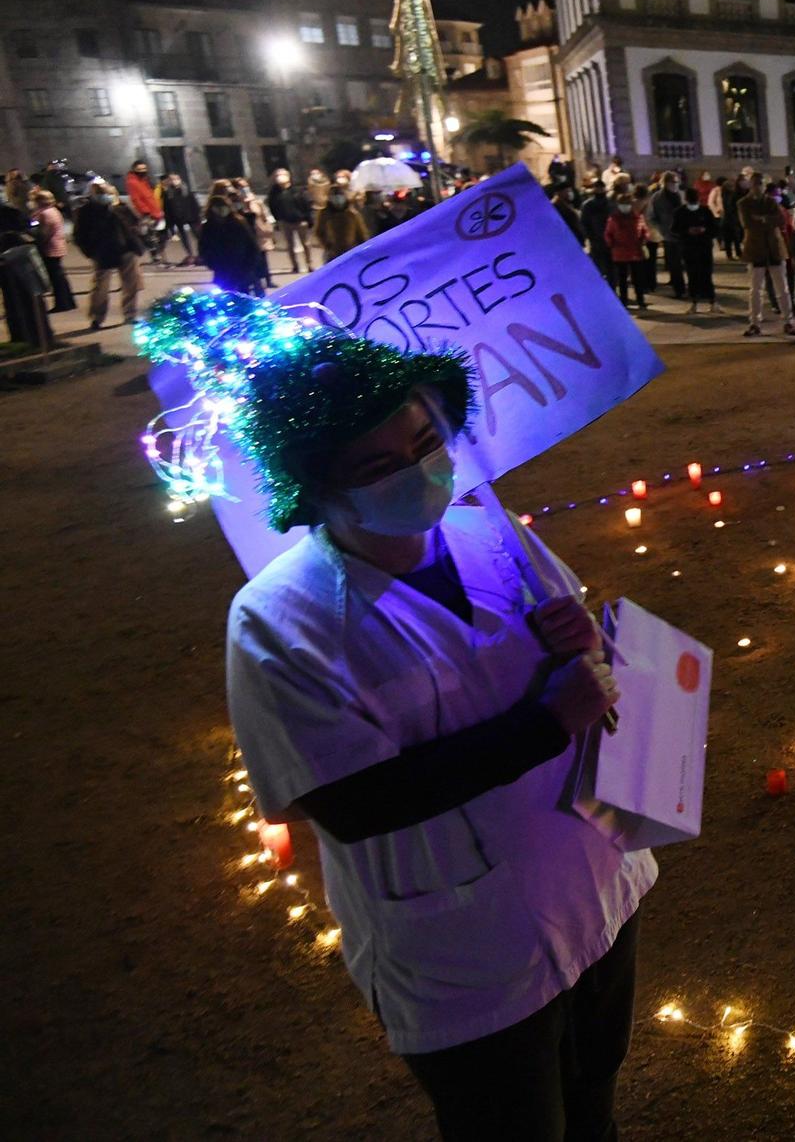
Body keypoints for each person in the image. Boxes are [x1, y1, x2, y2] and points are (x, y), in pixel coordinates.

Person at [142, 294, 651, 1142]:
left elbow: (558, 636)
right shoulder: (280, 620)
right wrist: (545, 724)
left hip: (594, 881)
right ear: (314, 487)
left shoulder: (488, 527)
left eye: (425, 443)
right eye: (375, 466)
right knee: (511, 1125)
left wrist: (566, 639)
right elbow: (349, 804)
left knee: (596, 1094)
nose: (417, 472)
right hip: (465, 948)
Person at [75, 180, 146, 329]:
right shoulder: (87, 211)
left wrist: (136, 240)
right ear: (93, 194)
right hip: (103, 251)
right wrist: (90, 251)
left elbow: (135, 224)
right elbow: (80, 235)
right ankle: (97, 317)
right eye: (101, 194)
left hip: (126, 250)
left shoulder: (120, 208)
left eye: (107, 193)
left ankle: (130, 314)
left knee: (130, 284)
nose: (104, 196)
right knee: (100, 286)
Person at [737, 175, 795, 337]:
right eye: (755, 184)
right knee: (755, 289)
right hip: (756, 248)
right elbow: (747, 224)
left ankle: (788, 321)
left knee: (782, 288)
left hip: (774, 247)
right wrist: (768, 221)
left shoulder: (771, 202)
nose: (758, 187)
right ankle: (755, 322)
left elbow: (780, 220)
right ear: (751, 185)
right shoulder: (744, 203)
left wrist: (762, 219)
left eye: (761, 184)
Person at [198, 188, 264, 295]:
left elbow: (251, 244)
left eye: (223, 206)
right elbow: (204, 247)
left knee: (244, 295)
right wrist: (211, 263)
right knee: (227, 295)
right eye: (217, 207)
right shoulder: (209, 226)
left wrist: (250, 263)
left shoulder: (238, 222)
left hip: (242, 267)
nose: (221, 210)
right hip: (222, 268)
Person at [26, 188, 77, 313]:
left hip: (50, 248)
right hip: (58, 245)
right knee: (60, 276)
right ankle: (68, 301)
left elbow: (43, 233)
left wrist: (33, 238)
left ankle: (62, 303)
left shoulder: (44, 213)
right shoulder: (54, 210)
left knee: (56, 278)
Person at [603, 186, 651, 311]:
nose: (626, 206)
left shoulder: (637, 217)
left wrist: (644, 239)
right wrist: (611, 244)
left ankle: (640, 300)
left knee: (637, 279)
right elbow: (608, 234)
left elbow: (644, 230)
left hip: (635, 251)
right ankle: (624, 301)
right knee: (622, 279)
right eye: (623, 204)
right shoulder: (613, 219)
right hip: (620, 252)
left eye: (627, 204)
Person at [672, 186, 719, 312]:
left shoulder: (705, 211)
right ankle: (695, 301)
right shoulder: (680, 212)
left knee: (706, 274)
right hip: (689, 247)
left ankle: (711, 300)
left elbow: (714, 229)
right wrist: (687, 231)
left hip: (703, 246)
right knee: (692, 275)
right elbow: (675, 229)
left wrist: (704, 230)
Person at [267, 169, 315, 274]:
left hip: (300, 221)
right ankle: (295, 266)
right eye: (277, 175)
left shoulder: (298, 190)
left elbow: (307, 204)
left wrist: (309, 219)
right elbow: (272, 207)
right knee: (290, 246)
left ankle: (309, 264)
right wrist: (277, 219)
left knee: (306, 244)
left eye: (282, 175)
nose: (280, 177)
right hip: (285, 222)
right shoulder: (274, 193)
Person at [316, 184, 371, 261]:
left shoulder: (352, 214)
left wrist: (362, 248)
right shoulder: (324, 213)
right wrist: (328, 246)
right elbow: (319, 232)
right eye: (333, 195)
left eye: (340, 194)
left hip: (351, 251)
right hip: (333, 254)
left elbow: (361, 234)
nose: (337, 198)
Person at [125, 161, 164, 260]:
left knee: (154, 235)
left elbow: (150, 197)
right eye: (140, 169)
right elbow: (136, 199)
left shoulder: (144, 180)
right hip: (147, 213)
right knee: (149, 235)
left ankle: (156, 253)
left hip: (155, 211)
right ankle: (155, 255)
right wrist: (145, 211)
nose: (143, 171)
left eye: (144, 169)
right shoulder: (132, 182)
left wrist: (158, 209)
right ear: (134, 170)